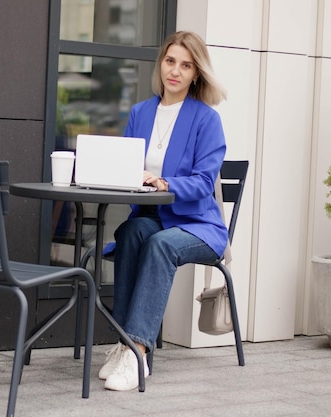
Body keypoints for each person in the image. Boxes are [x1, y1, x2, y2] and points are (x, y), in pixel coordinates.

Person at [100, 31, 229, 391]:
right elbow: (127, 166)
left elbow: (204, 183)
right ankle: (125, 341)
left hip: (198, 226)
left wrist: (165, 182)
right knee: (131, 233)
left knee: (159, 244)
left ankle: (137, 351)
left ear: (196, 74)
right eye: (170, 61)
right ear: (161, 64)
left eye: (186, 65)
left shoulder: (206, 120)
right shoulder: (140, 112)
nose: (175, 71)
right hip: (152, 217)